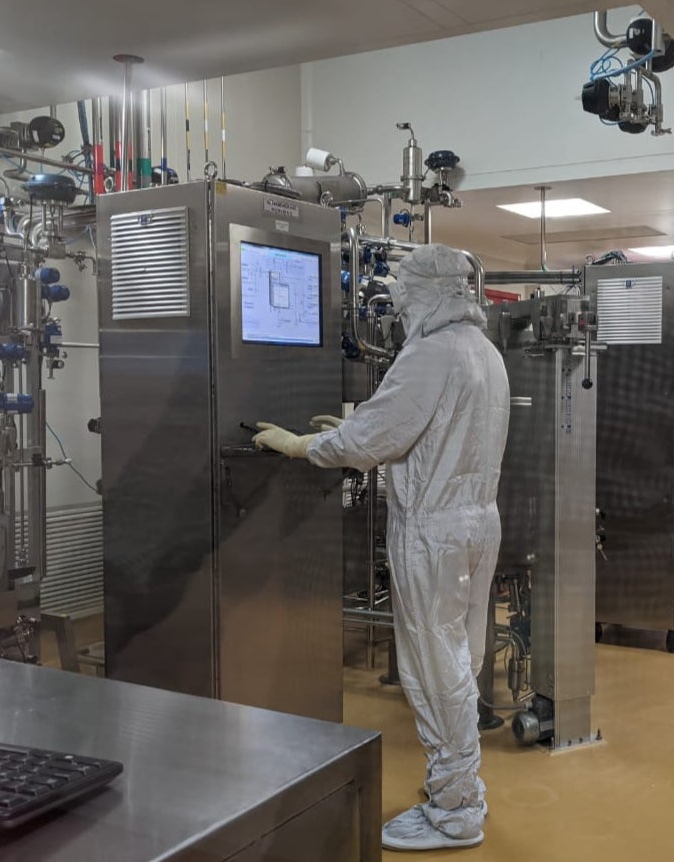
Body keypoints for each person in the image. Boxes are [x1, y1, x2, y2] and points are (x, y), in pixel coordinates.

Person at [252, 243, 510, 851]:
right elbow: (416, 427)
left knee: (432, 662)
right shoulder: (485, 353)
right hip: (477, 523)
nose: (399, 308)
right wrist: (354, 429)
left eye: (404, 296)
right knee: (460, 656)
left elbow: (376, 439)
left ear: (430, 294)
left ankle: (456, 810)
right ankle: (458, 785)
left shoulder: (430, 353)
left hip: (433, 532)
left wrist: (302, 446)